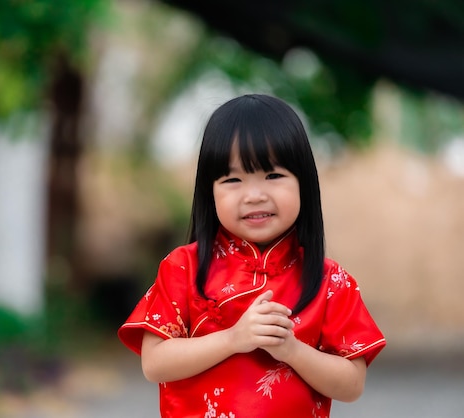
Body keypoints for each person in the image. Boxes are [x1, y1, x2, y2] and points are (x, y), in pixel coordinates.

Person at [118, 94, 386, 417]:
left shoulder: (331, 282)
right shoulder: (182, 267)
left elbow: (352, 384)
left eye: (273, 176)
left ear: (305, 183)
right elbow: (154, 363)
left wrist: (291, 350)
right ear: (209, 192)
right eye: (233, 180)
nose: (255, 196)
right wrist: (234, 338)